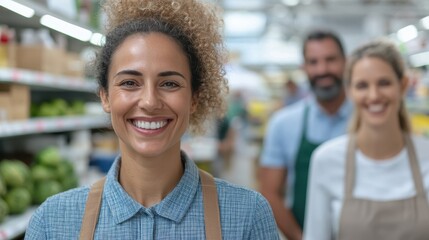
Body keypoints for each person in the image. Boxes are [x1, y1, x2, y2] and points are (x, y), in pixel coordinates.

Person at [24, 0, 280, 239]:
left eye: (169, 83)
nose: (149, 101)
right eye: (129, 83)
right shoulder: (53, 222)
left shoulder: (248, 217)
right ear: (105, 96)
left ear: (194, 98)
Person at [304, 39, 429, 240]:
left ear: (403, 85)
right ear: (350, 91)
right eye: (362, 86)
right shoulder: (326, 160)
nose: (374, 95)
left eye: (384, 83)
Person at [259, 30, 353, 240]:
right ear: (304, 67)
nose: (323, 69)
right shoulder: (283, 124)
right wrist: (300, 237)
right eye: (313, 62)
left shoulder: (368, 119)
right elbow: (270, 192)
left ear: (345, 62)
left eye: (330, 60)